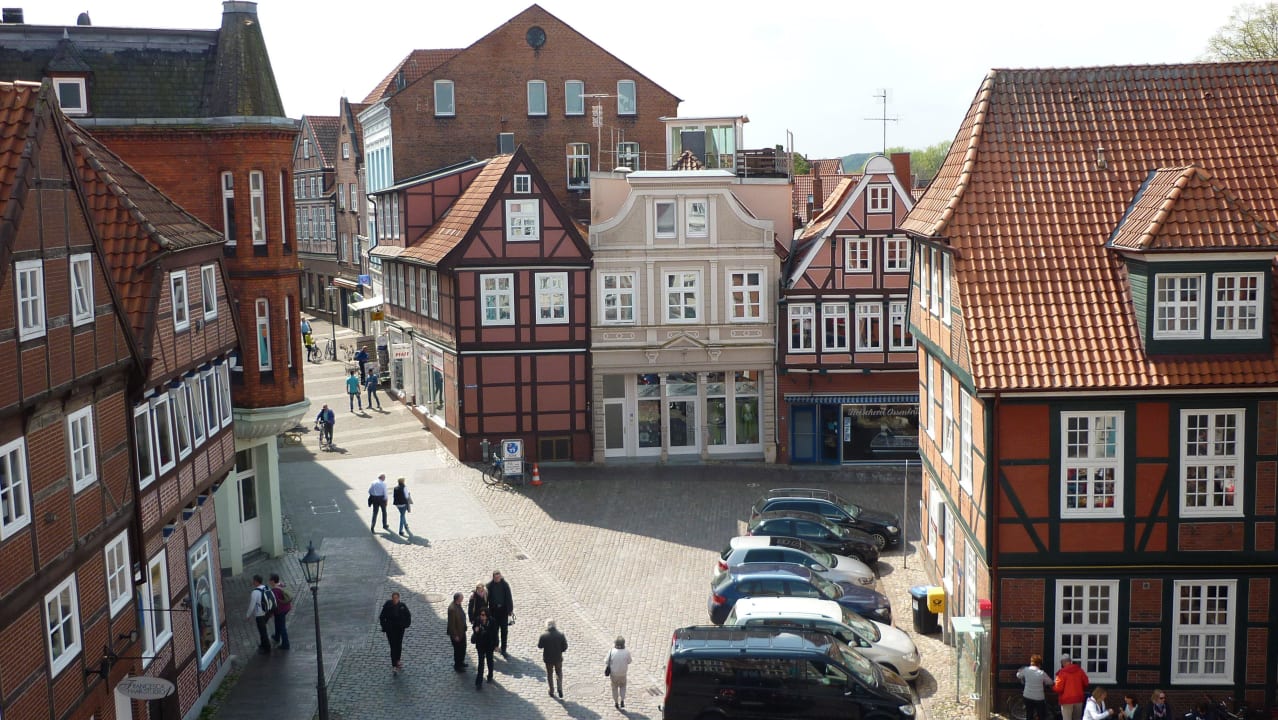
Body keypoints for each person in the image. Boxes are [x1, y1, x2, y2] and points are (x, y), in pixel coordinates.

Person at [378, 592, 412, 674]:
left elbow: (408, 615)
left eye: (396, 598)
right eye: (394, 598)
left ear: (399, 598)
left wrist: (405, 625)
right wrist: (384, 627)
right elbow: (382, 617)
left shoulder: (402, 606)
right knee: (393, 647)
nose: (395, 600)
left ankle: (398, 660)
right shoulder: (388, 606)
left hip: (400, 629)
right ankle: (394, 665)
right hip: (390, 630)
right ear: (392, 598)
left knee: (398, 645)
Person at [538, 619, 568, 699]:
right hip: (558, 658)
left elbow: (540, 646)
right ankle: (560, 688)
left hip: (548, 659)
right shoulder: (561, 635)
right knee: (559, 672)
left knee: (549, 674)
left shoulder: (544, 635)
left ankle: (551, 690)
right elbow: (565, 647)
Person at [486, 570, 514, 657]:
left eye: (499, 577)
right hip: (494, 611)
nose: (498, 579)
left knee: (504, 631)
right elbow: (485, 597)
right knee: (494, 630)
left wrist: (510, 610)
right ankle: (496, 645)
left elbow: (509, 597)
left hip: (503, 611)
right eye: (496, 577)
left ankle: (504, 649)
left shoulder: (505, 585)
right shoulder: (489, 586)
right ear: (493, 577)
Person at [1016, 654, 1053, 720]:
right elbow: (1050, 682)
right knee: (1041, 716)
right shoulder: (1041, 673)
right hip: (1039, 698)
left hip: (1027, 696)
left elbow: (1018, 675)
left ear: (1031, 662)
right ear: (1039, 664)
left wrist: (1019, 671)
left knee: (1029, 715)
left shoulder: (1026, 670)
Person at [244, 575, 273, 655]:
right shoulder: (266, 588)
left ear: (256, 581)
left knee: (262, 631)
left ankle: (267, 648)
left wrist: (248, 615)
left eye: (253, 580)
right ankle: (263, 644)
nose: (252, 582)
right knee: (262, 630)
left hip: (260, 615)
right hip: (267, 612)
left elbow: (252, 605)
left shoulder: (255, 592)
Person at [1054, 655, 1090, 720]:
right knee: (1077, 718)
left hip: (1066, 700)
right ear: (1070, 661)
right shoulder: (1080, 670)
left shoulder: (1062, 673)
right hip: (1078, 698)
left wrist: (1053, 687)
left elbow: (1058, 688)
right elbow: (1086, 683)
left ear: (1063, 663)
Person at [472, 608, 498, 690]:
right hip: (480, 645)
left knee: (489, 661)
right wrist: (476, 630)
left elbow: (495, 634)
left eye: (483, 615)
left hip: (489, 645)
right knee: (481, 663)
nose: (481, 616)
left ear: (487, 615)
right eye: (481, 615)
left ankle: (490, 675)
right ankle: (478, 683)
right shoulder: (478, 620)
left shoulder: (492, 621)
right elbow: (474, 627)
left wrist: (496, 645)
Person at [606, 636, 633, 709]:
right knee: (623, 687)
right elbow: (629, 661)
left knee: (614, 688)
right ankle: (622, 700)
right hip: (623, 674)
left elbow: (606, 661)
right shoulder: (626, 652)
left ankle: (616, 702)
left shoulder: (612, 651)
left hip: (614, 674)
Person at [269, 573, 292, 651]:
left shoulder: (274, 590)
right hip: (286, 608)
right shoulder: (282, 585)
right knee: (277, 623)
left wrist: (271, 613)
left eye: (270, 580)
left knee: (282, 626)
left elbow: (274, 603)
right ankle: (277, 637)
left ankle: (285, 644)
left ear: (272, 581)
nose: (269, 581)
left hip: (280, 610)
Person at [447, 592, 469, 672]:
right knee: (458, 650)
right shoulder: (452, 609)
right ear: (458, 599)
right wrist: (455, 635)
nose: (463, 600)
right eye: (461, 598)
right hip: (457, 634)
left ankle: (461, 662)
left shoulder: (458, 605)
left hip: (462, 631)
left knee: (463, 648)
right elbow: (451, 624)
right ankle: (457, 666)